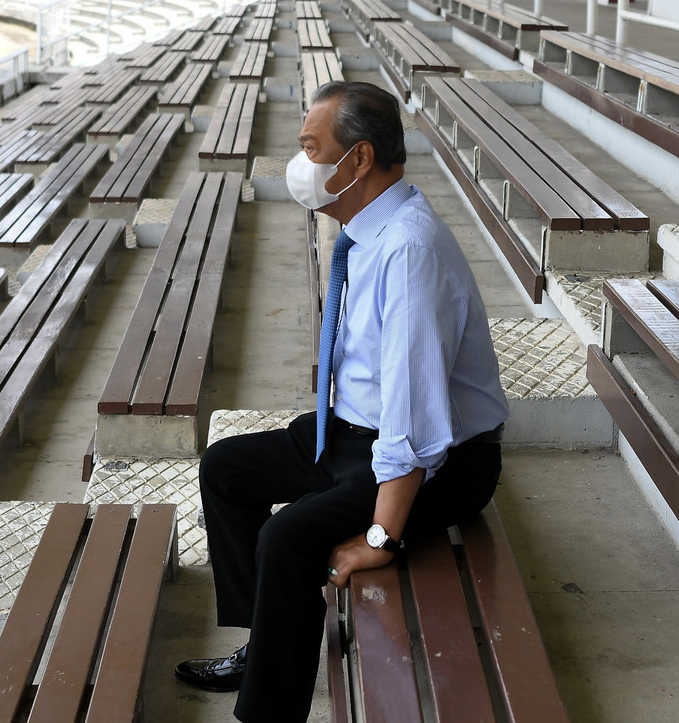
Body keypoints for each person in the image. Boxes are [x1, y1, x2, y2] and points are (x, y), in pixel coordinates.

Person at [174, 80, 509, 722]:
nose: (301, 165)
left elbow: (414, 421)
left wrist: (382, 535)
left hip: (440, 463)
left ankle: (269, 711)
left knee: (285, 537)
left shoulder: (408, 251)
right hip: (352, 431)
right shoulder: (368, 231)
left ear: (356, 160)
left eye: (310, 147)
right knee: (226, 469)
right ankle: (262, 639)